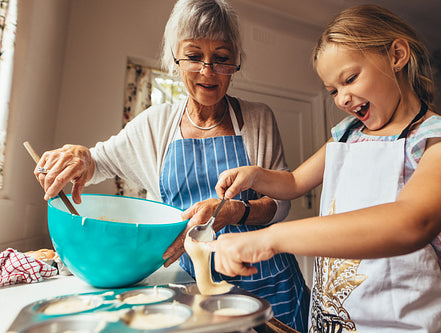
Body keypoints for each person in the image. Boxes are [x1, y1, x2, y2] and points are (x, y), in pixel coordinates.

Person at [211, 4, 441, 333]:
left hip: (399, 323)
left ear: (397, 55)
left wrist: (271, 238)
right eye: (333, 90)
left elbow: (413, 221)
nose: (342, 99)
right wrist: (256, 175)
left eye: (350, 79)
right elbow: (293, 182)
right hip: (332, 321)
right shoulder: (347, 135)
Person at [33, 0, 309, 331]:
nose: (208, 71)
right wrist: (79, 156)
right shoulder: (155, 124)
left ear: (235, 63)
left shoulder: (257, 119)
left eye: (221, 59)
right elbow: (96, 162)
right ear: (175, 59)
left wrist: (235, 211)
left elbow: (280, 205)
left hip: (269, 283)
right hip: (191, 285)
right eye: (194, 56)